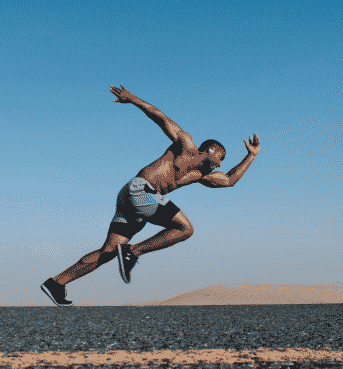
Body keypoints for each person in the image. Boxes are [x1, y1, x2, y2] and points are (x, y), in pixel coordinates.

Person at [41, 84, 260, 306]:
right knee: (185, 229)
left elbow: (230, 180)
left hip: (133, 201)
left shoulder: (201, 175)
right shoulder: (185, 143)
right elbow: (161, 117)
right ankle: (133, 252)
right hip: (140, 190)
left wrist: (250, 157)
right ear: (210, 151)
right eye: (220, 158)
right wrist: (132, 98)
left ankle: (57, 283)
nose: (221, 164)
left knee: (108, 251)